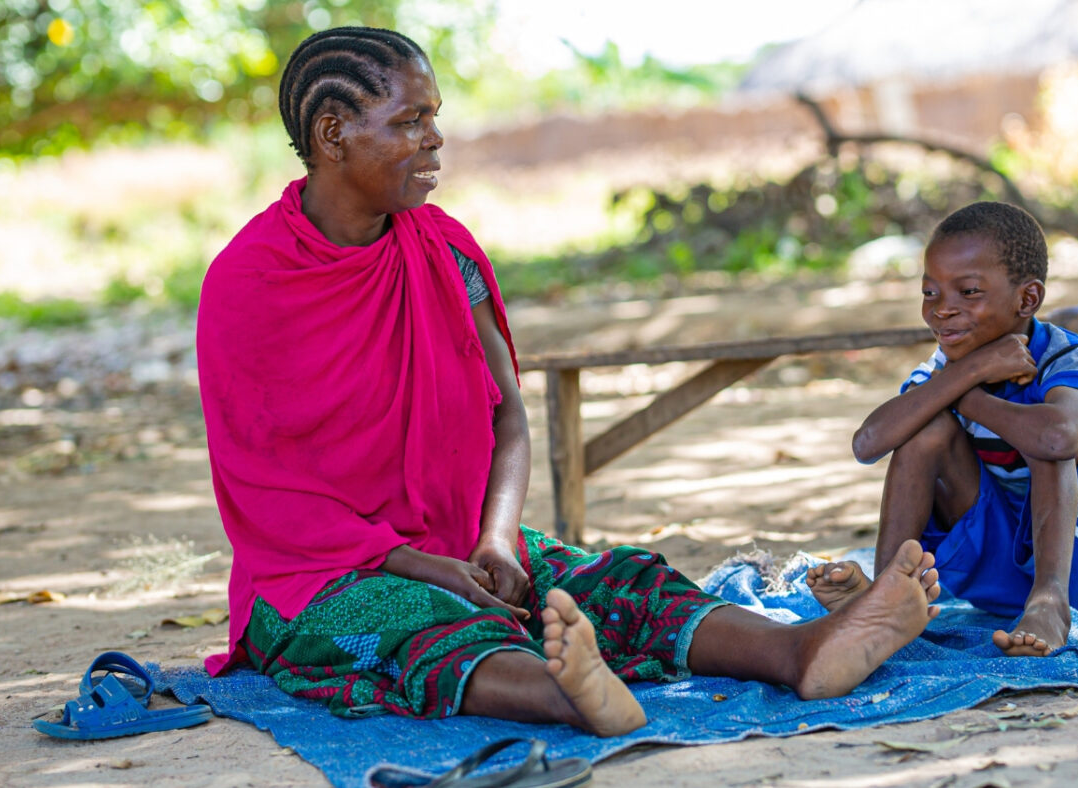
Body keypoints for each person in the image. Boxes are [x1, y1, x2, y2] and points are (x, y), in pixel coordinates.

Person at [197, 26, 941, 737]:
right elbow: (268, 496)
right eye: (411, 120)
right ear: (333, 135)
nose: (435, 139)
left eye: (435, 117)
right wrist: (425, 566)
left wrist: (496, 541)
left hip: (462, 537)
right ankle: (566, 692)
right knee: (418, 625)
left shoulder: (443, 249)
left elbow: (508, 416)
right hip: (319, 576)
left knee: (617, 583)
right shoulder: (250, 283)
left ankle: (801, 650)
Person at [806, 202, 1078, 657]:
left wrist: (964, 393)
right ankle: (888, 596)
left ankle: (1050, 602)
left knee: (1042, 436)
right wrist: (970, 373)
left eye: (968, 292)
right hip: (1000, 569)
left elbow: (1058, 438)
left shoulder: (1065, 356)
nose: (943, 310)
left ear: (1027, 299)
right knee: (923, 430)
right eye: (930, 293)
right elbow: (868, 444)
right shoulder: (942, 371)